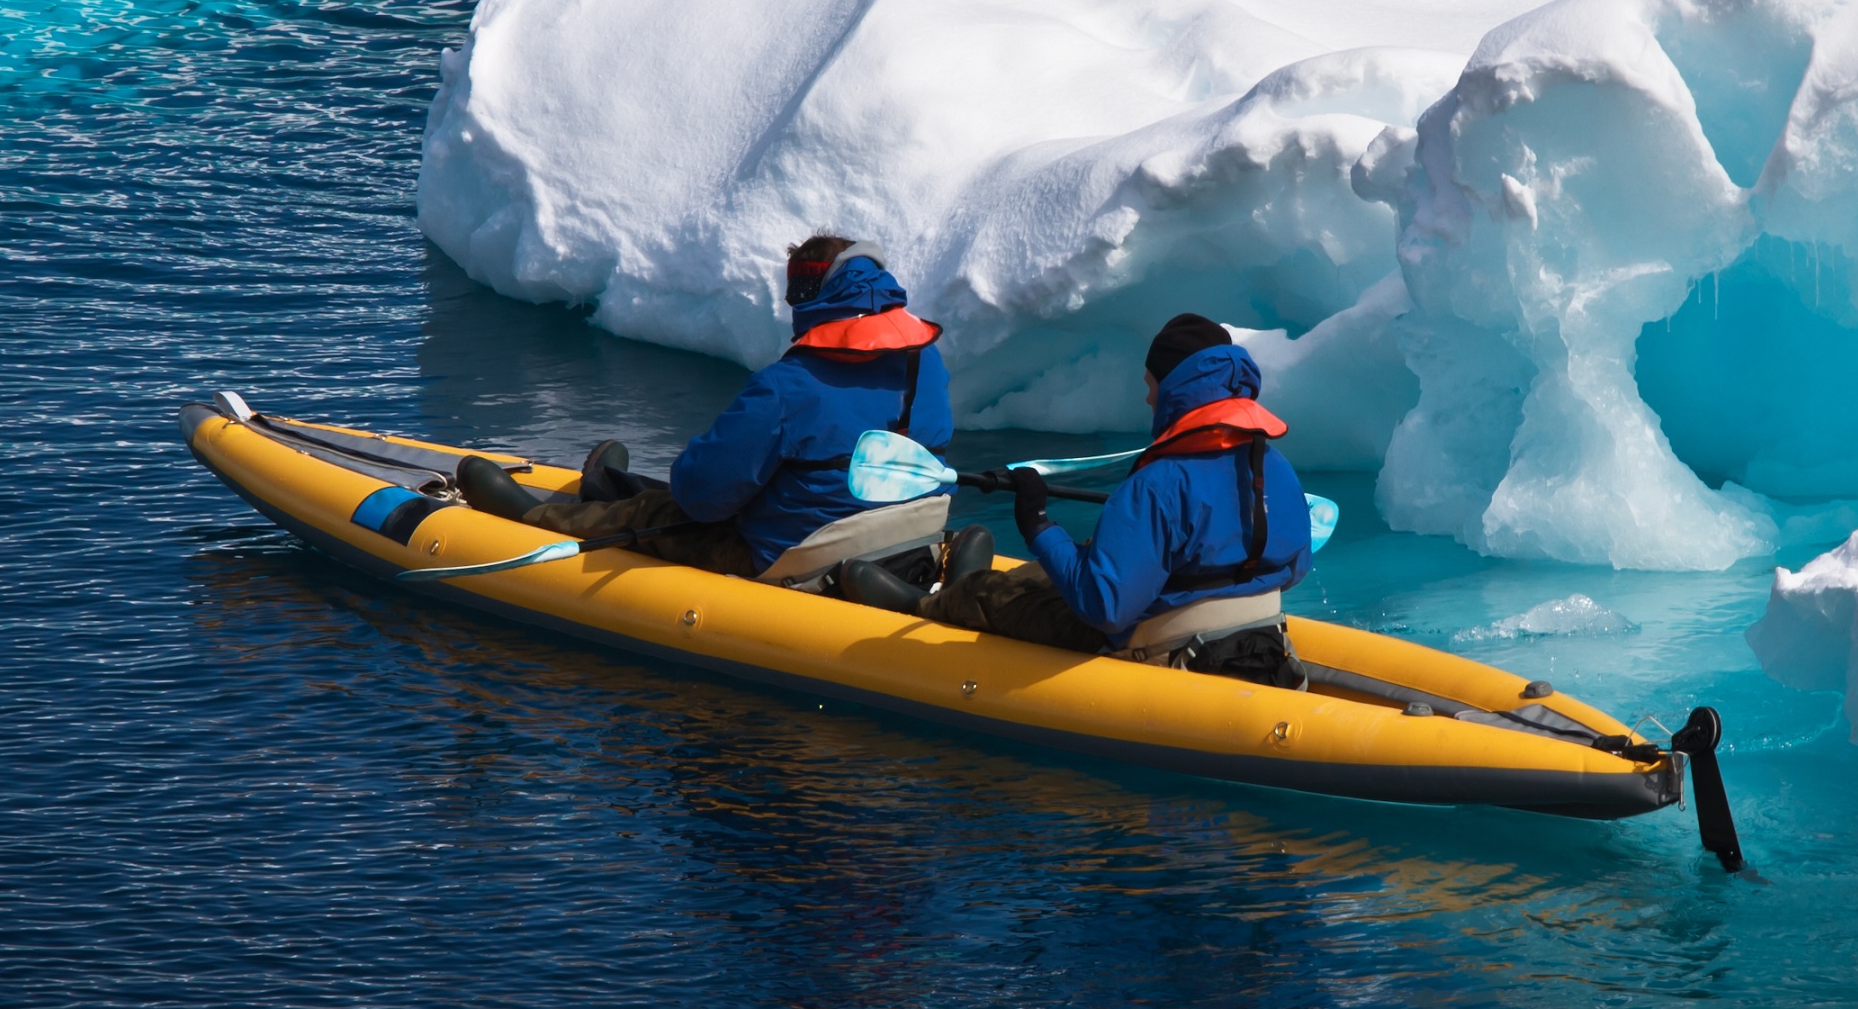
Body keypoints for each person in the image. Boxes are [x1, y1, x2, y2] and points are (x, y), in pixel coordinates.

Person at [839, 314, 1313, 687]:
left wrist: (1038, 523)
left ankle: (925, 607)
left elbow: (1103, 607)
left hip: (1160, 639)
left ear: (1176, 389)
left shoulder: (1158, 484)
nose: (1149, 399)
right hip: (1249, 629)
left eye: (1151, 385)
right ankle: (960, 587)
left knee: (1003, 592)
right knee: (1059, 569)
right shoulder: (1272, 465)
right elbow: (1294, 567)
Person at [454, 236, 958, 582]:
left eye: (799, 289)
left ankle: (531, 516)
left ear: (814, 297)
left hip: (788, 556)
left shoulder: (788, 386)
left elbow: (702, 498)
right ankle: (609, 488)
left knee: (661, 509)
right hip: (897, 543)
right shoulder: (925, 363)